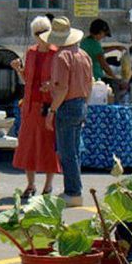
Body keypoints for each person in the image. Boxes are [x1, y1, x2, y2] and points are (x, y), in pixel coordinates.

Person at [41, 17, 92, 208]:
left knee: (66, 152)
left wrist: (52, 111)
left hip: (67, 105)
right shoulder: (83, 55)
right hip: (80, 103)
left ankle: (73, 192)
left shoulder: (61, 57)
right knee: (74, 150)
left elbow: (62, 88)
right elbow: (89, 83)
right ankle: (74, 189)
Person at [10, 16, 61, 199]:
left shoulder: (56, 53)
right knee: (28, 145)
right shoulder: (30, 52)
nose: (41, 36)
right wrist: (19, 70)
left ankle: (48, 185)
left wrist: (52, 85)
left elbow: (61, 82)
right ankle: (30, 184)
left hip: (48, 106)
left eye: (44, 32)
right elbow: (28, 81)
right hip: (30, 106)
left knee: (48, 145)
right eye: (37, 33)